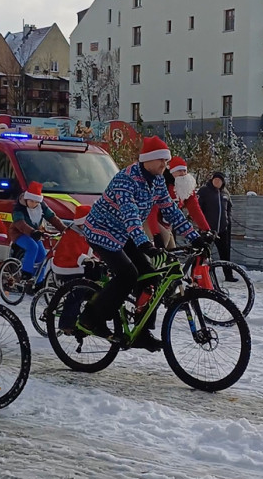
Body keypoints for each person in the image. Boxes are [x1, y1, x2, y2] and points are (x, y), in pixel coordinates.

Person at [67, 136, 206, 350]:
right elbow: (130, 214)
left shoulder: (157, 179)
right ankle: (91, 319)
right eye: (160, 160)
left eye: (166, 160)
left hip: (124, 233)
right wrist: (143, 243)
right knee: (128, 275)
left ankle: (141, 332)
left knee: (151, 277)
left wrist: (195, 236)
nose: (164, 165)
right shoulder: (126, 180)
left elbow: (170, 209)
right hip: (101, 231)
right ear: (146, 160)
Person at [8, 182, 68, 287]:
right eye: (31, 201)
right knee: (32, 247)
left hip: (35, 234)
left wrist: (64, 229)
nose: (34, 204)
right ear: (26, 199)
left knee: (43, 257)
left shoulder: (42, 206)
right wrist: (32, 232)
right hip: (19, 233)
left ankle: (38, 283)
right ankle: (26, 273)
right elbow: (20, 223)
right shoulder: (19, 208)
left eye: (36, 202)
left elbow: (52, 218)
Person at [146, 156, 208, 250]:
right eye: (179, 171)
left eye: (184, 171)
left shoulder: (185, 186)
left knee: (173, 256)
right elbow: (151, 211)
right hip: (151, 221)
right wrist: (156, 234)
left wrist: (206, 229)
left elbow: (195, 209)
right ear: (171, 171)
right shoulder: (164, 185)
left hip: (167, 225)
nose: (182, 174)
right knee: (161, 249)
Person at [197, 171, 234, 281]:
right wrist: (202, 225)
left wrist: (228, 220)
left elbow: (230, 208)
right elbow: (198, 208)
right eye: (215, 179)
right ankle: (197, 274)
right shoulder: (204, 191)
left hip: (222, 229)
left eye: (219, 180)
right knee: (202, 253)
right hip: (208, 229)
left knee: (225, 253)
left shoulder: (225, 193)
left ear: (222, 182)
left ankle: (229, 275)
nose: (217, 181)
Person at [50, 204, 98, 279]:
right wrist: (85, 260)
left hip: (76, 262)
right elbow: (74, 252)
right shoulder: (72, 235)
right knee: (91, 272)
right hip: (65, 266)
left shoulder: (83, 233)